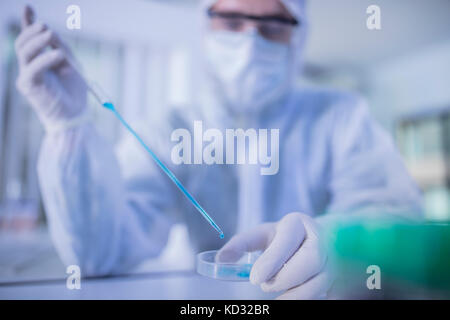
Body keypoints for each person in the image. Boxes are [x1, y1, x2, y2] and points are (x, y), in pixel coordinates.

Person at [15, 0, 422, 299]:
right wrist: (68, 125)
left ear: (298, 35)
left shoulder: (343, 117)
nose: (250, 40)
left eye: (273, 23)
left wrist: (339, 243)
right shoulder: (170, 128)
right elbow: (99, 255)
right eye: (231, 19)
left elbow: (399, 227)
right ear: (205, 25)